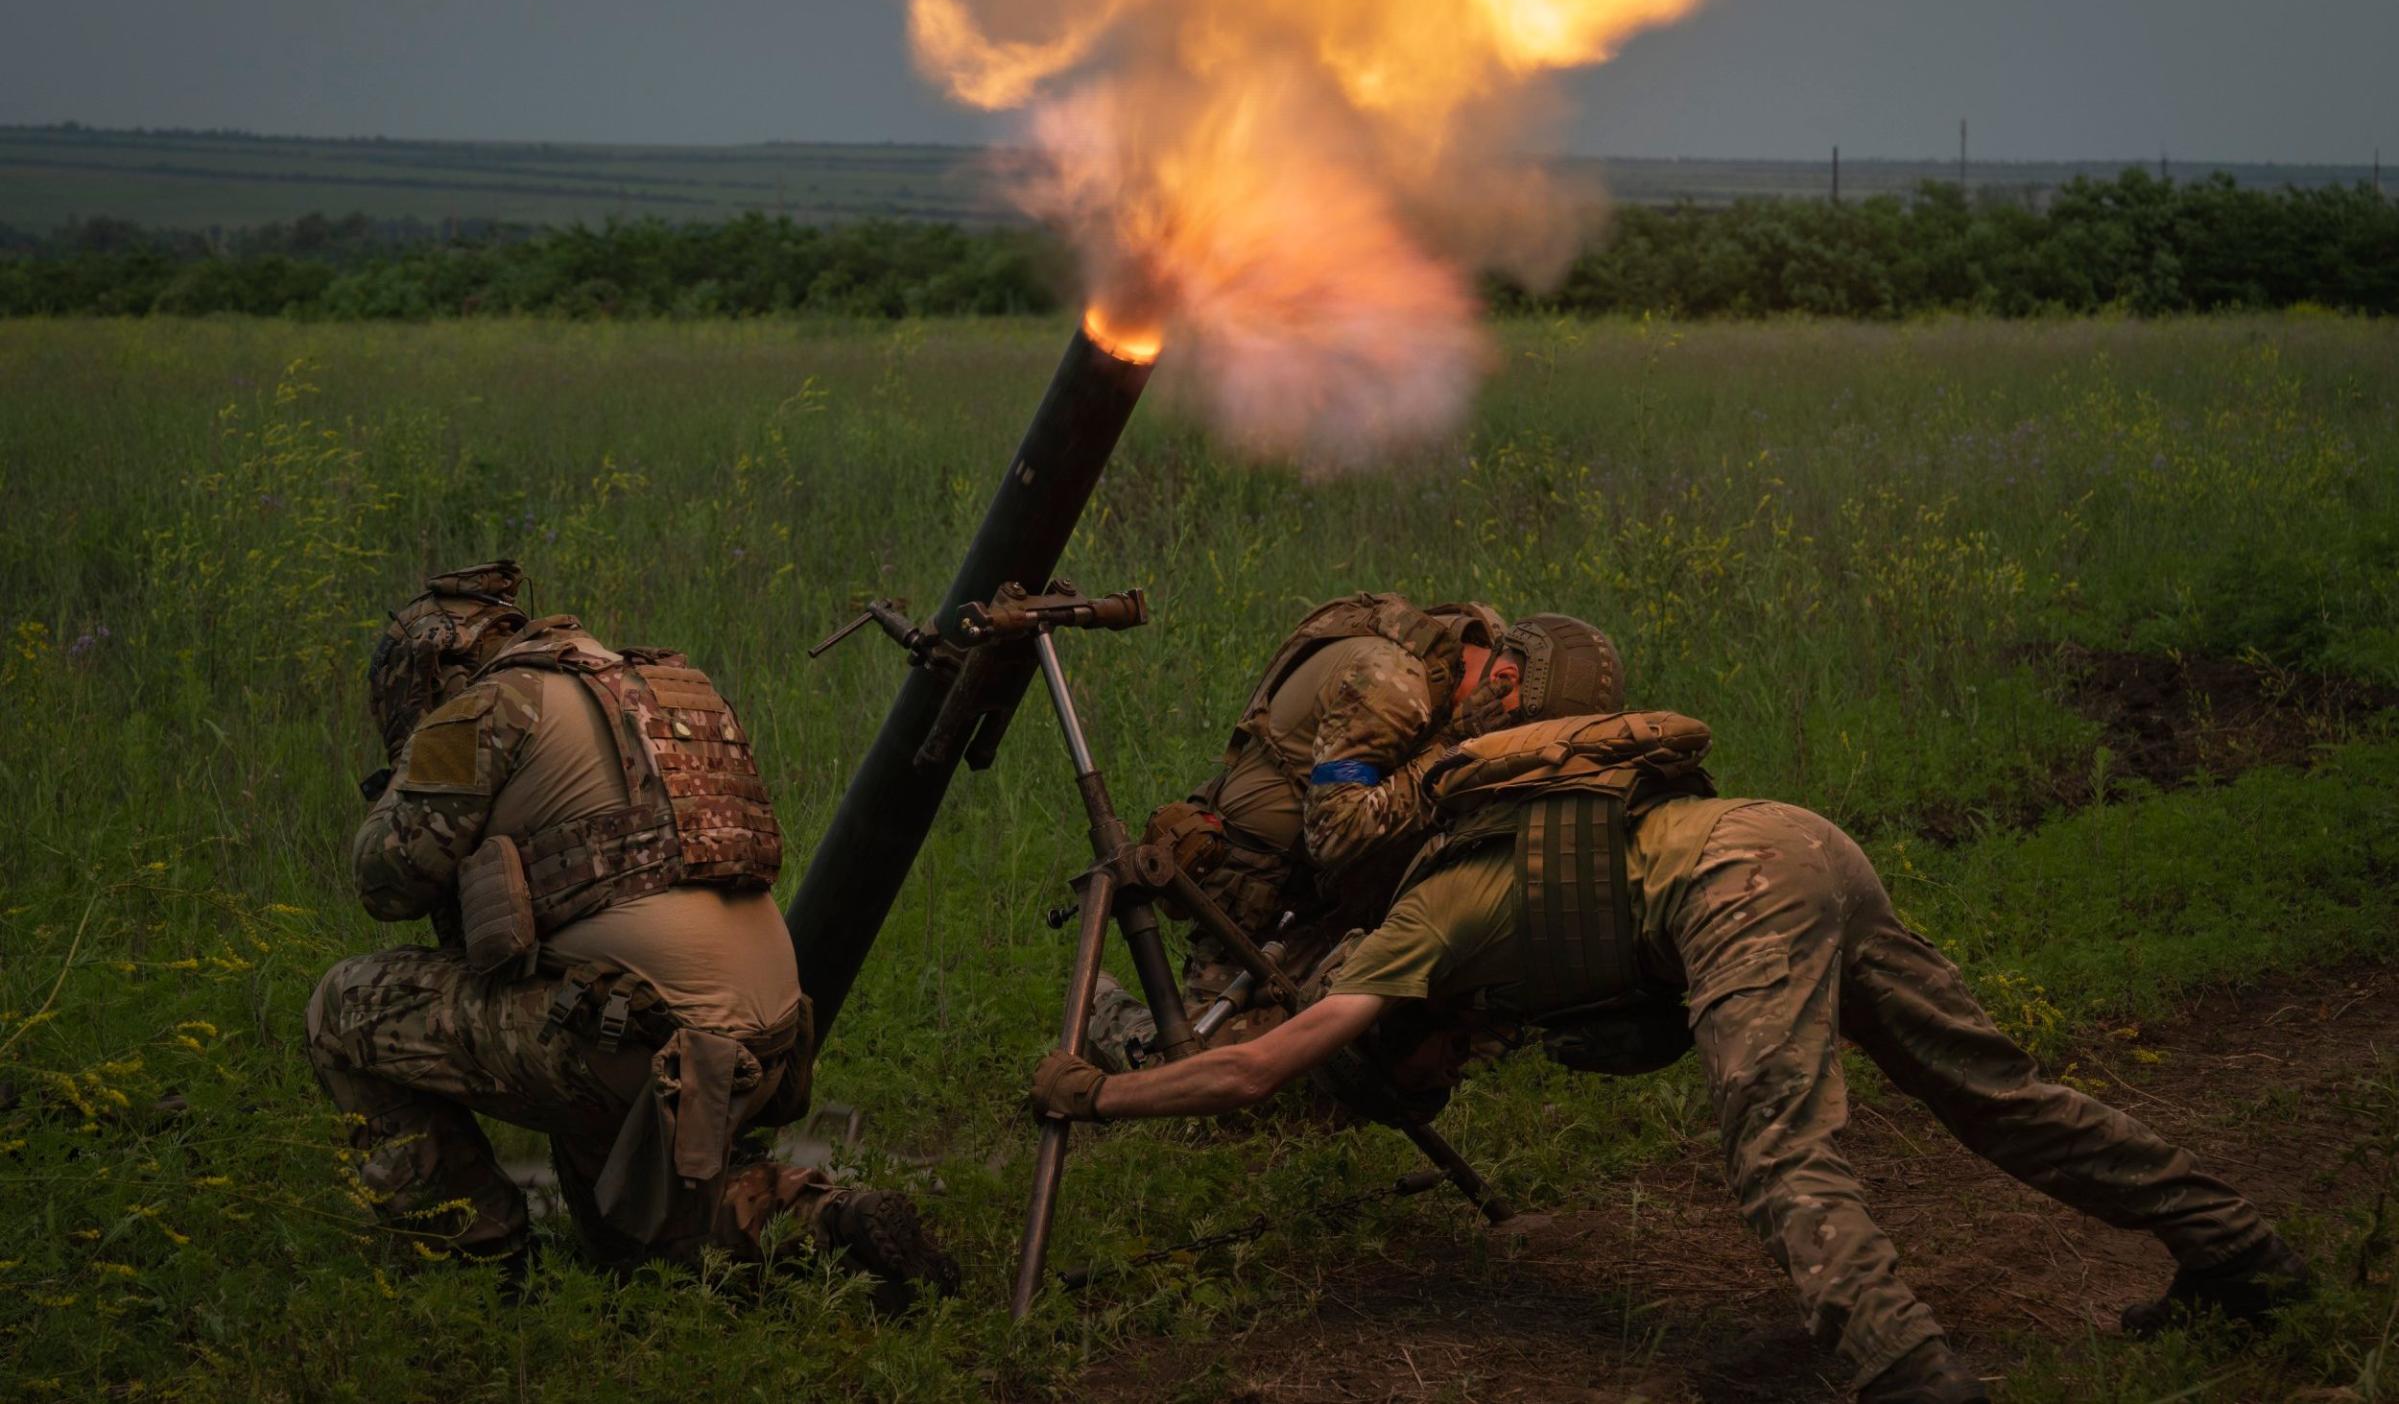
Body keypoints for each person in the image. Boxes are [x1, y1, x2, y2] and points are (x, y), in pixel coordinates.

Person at [1032, 682, 2309, 1402]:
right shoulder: (1462, 907)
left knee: (1777, 1152)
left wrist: (1098, 1092)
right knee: (1994, 1094)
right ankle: (2239, 1251)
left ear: (1403, 1035)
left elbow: (1258, 1064)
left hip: (1735, 891)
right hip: (1795, 842)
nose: (1444, 1084)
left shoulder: (1412, 934)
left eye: (1418, 1080)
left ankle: (1904, 1374)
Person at [307, 561, 957, 1300]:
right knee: (636, 1244)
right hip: (761, 1043)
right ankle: (831, 1222)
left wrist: (405, 772)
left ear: (432, 670)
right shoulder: (663, 687)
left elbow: (385, 881)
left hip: (632, 1040)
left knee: (343, 1008)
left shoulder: (488, 704)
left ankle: (474, 1266)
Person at [1088, 595, 1621, 1069]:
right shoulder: (1393, 684)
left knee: (1436, 1043)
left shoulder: (1485, 653)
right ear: (1504, 681)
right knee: (1201, 1068)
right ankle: (1101, 1006)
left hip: (1343, 884)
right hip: (1266, 893)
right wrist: (1457, 754)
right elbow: (1334, 833)